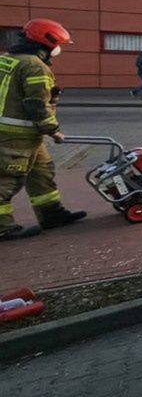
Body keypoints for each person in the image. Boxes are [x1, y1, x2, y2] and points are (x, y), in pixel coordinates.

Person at [0, 19, 88, 241]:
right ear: (46, 44)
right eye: (58, 45)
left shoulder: (7, 59)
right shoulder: (35, 66)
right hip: (15, 135)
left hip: (26, 134)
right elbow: (36, 104)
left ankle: (51, 214)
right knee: (7, 180)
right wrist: (53, 130)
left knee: (41, 172)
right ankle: (3, 227)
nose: (58, 50)